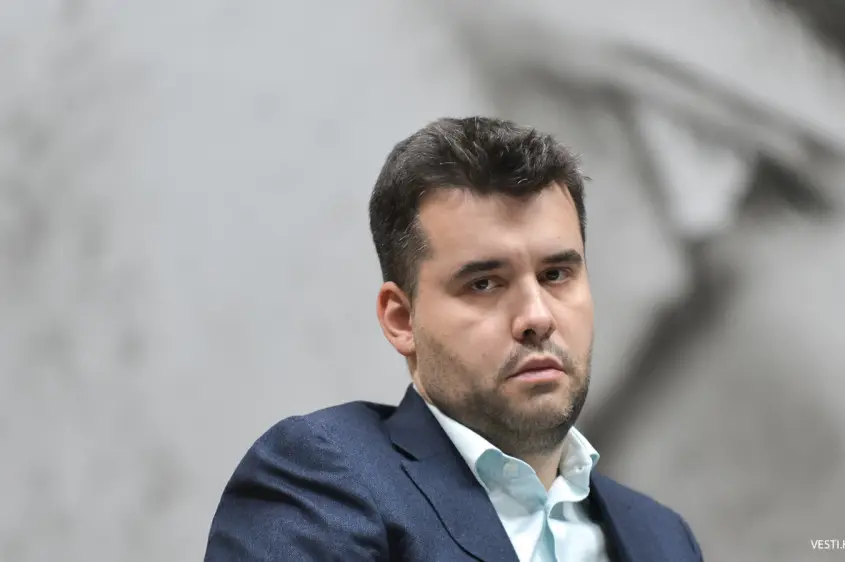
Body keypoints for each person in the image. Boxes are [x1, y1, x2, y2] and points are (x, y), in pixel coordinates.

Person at [203, 117, 704, 561]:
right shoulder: (323, 481)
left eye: (556, 275)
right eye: (484, 283)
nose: (536, 317)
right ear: (401, 320)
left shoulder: (663, 537)